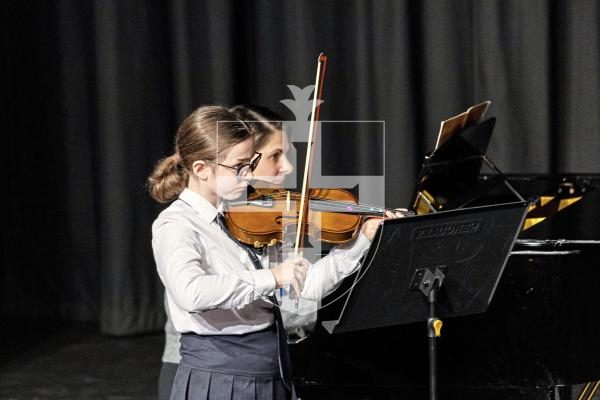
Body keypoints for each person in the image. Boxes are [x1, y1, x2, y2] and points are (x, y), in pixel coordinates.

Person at [150, 105, 395, 400]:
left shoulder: (247, 217)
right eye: (240, 165)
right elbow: (191, 292)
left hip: (272, 369)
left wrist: (359, 243)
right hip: (221, 375)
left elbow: (305, 289)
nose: (249, 174)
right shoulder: (176, 224)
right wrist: (272, 277)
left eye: (252, 161)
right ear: (201, 169)